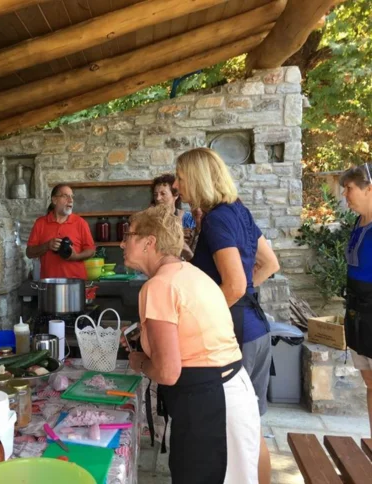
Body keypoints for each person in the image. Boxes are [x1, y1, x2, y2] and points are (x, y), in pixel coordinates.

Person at [122, 205, 260, 484]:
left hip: (209, 404)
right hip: (228, 391)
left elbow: (168, 371)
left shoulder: (158, 286)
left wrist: (139, 362)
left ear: (150, 242)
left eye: (130, 235)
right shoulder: (189, 272)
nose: (123, 242)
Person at [174, 147, 280, 484]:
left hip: (238, 335)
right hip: (257, 330)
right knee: (253, 429)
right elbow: (268, 264)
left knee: (240, 435)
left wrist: (203, 318)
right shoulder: (238, 210)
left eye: (180, 177)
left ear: (198, 178)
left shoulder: (218, 218)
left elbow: (233, 284)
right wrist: (243, 293)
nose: (177, 185)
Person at [340, 164, 372, 434]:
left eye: (349, 188)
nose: (345, 194)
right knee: (370, 384)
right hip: (357, 313)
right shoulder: (358, 222)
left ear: (369, 189)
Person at [26, 184, 96, 279]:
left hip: (76, 284)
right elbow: (29, 253)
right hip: (50, 285)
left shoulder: (80, 223)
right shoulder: (40, 223)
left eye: (72, 197)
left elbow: (91, 251)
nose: (70, 200)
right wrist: (47, 245)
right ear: (54, 200)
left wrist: (75, 256)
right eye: (65, 196)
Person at [151, 173, 198, 260]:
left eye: (163, 194)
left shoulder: (190, 219)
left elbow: (195, 251)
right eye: (155, 194)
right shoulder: (149, 220)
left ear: (175, 195)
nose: (158, 198)